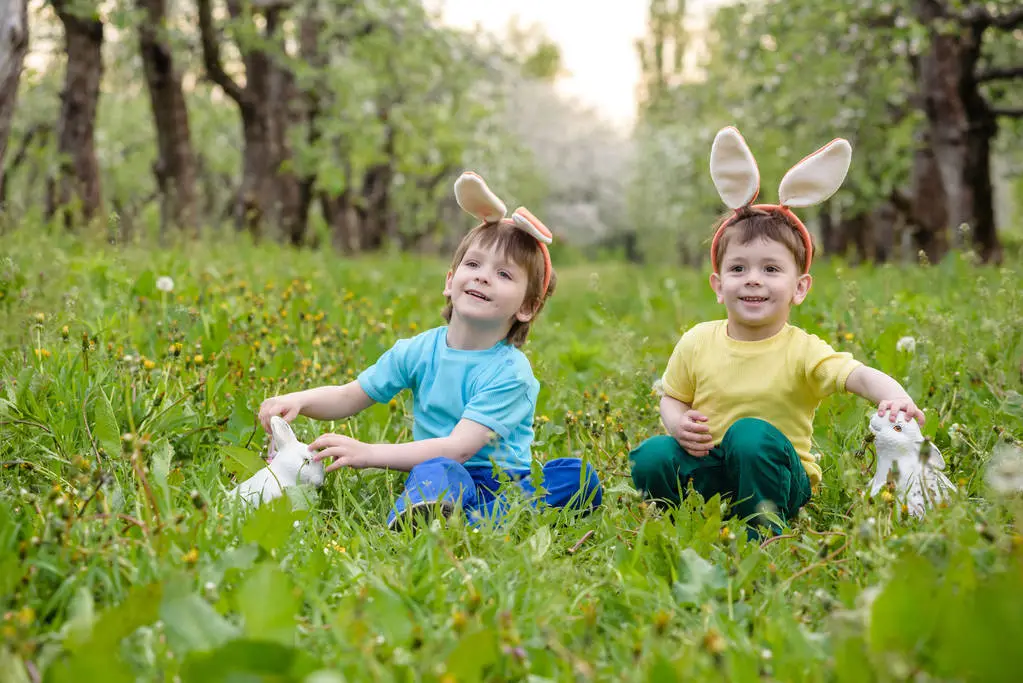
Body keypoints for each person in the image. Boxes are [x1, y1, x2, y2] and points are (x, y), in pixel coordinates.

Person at [257, 171, 602, 528]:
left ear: (527, 307)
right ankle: (441, 515)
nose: (483, 276)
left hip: (502, 481)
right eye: (473, 264)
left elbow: (460, 447)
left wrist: (370, 453)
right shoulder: (419, 350)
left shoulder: (511, 373)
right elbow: (349, 396)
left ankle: (474, 518)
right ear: (450, 282)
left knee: (576, 477)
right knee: (440, 472)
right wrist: (300, 400)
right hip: (440, 470)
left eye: (504, 274)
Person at [629, 127, 925, 537]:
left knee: (750, 435)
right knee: (652, 456)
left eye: (771, 269)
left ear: (799, 288)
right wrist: (677, 424)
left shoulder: (802, 350)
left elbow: (856, 376)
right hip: (715, 468)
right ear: (718, 286)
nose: (753, 280)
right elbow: (673, 397)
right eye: (738, 268)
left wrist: (895, 397)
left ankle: (763, 530)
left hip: (782, 479)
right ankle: (690, 523)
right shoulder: (697, 341)